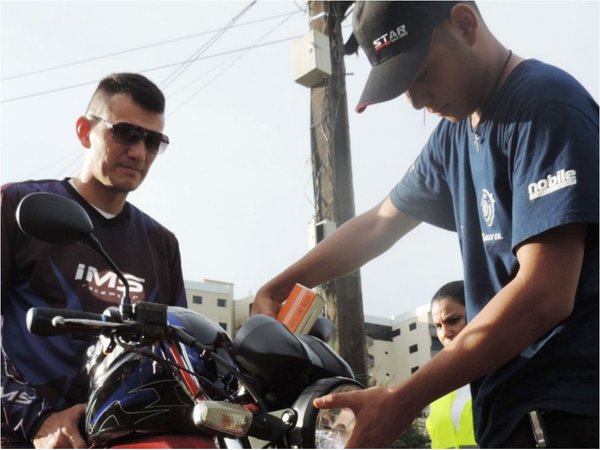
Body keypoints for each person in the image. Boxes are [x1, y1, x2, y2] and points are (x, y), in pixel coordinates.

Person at [252, 1, 598, 448]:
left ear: (465, 23)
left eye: (421, 74)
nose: (415, 99)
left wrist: (401, 400)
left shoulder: (544, 106)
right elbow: (379, 223)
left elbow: (544, 295)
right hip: (509, 412)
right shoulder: (454, 135)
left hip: (569, 411)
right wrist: (284, 285)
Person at [1, 73, 187, 449]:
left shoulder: (161, 243)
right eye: (126, 133)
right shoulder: (17, 206)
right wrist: (36, 419)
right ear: (85, 131)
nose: (139, 152)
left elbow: (176, 355)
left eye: (153, 141)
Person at [426, 281, 477, 449]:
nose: (445, 333)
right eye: (438, 326)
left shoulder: (505, 373)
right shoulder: (436, 388)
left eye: (453, 320)